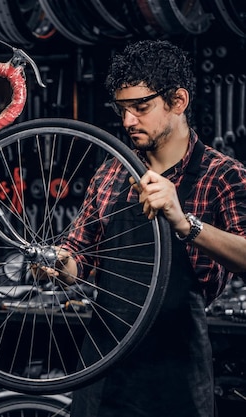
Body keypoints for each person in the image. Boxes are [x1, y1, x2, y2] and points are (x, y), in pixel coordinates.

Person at [51, 40, 246, 416]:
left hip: (176, 380)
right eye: (122, 110)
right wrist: (57, 265)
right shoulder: (111, 172)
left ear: (178, 102)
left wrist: (184, 221)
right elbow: (78, 255)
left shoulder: (222, 175)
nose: (127, 122)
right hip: (102, 374)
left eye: (140, 108)